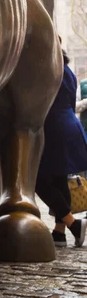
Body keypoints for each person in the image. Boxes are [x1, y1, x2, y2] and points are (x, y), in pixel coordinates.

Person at [36, 51, 87, 248]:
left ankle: (73, 224)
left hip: (54, 127)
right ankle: (59, 233)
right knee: (58, 179)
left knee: (39, 181)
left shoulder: (47, 70)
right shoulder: (67, 71)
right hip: (70, 125)